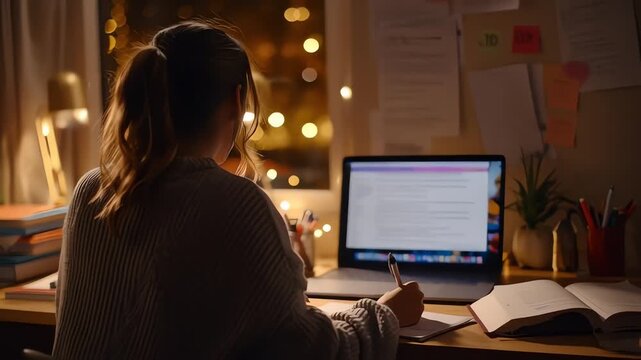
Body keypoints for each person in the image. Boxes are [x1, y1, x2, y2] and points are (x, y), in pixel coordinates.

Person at [53, 20, 424, 359]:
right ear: (236, 101)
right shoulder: (238, 204)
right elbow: (317, 351)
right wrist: (385, 313)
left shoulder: (92, 189)